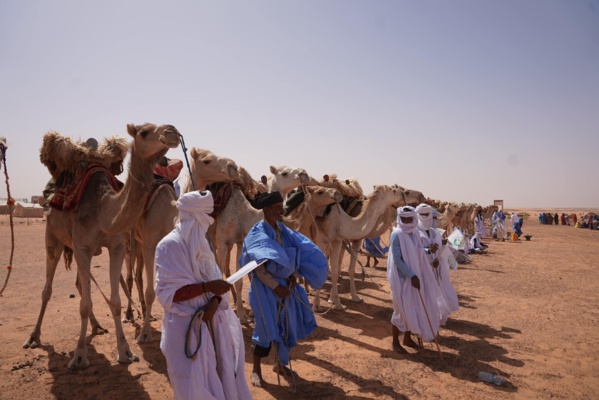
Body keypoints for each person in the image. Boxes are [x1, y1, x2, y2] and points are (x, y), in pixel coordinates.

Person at [155, 191, 251, 400]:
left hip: (212, 323)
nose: (208, 223)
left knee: (220, 375)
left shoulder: (201, 243)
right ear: (194, 217)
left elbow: (215, 278)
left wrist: (215, 301)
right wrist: (208, 287)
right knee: (191, 386)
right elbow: (168, 294)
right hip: (184, 328)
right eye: (204, 218)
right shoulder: (169, 246)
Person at [239, 191, 328, 388]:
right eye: (278, 208)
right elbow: (258, 268)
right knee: (264, 328)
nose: (282, 211)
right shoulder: (257, 234)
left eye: (282, 207)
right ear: (267, 209)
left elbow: (293, 256)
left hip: (285, 287)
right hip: (264, 288)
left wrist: (293, 277)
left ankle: (280, 364)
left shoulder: (284, 231)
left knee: (284, 325)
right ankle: (256, 370)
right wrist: (276, 286)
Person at [387, 206, 443, 353]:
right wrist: (411, 275)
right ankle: (395, 342)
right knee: (400, 309)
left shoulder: (414, 233)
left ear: (413, 218)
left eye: (409, 219)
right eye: (404, 219)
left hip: (415, 275)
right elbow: (397, 260)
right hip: (402, 278)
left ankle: (407, 338)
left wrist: (427, 251)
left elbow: (416, 250)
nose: (406, 221)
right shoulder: (396, 234)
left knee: (412, 308)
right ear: (399, 218)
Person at [416, 204, 456, 325]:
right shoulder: (414, 232)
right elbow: (412, 250)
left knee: (436, 292)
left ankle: (435, 316)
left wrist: (439, 250)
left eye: (426, 214)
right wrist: (428, 250)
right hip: (422, 268)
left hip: (435, 268)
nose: (424, 217)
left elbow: (439, 249)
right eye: (422, 214)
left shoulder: (434, 232)